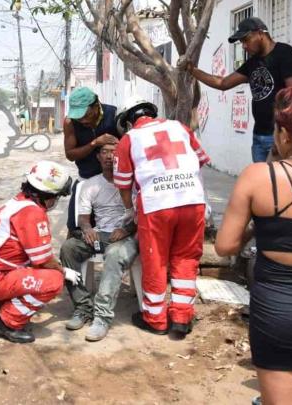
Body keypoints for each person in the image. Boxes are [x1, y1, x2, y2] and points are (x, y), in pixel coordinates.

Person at [215, 87, 292, 405]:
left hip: (277, 316)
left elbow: (226, 246)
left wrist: (260, 225)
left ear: (284, 133)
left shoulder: (257, 177)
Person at [113, 96, 209, 337]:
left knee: (155, 260)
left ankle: (155, 318)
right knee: (186, 257)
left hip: (156, 206)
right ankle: (181, 317)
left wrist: (130, 211)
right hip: (192, 201)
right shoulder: (180, 127)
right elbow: (200, 161)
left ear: (129, 122)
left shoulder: (128, 139)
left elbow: (123, 184)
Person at [0, 161, 81, 343]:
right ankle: (6, 322)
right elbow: (42, 260)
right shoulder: (33, 213)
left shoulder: (15, 202)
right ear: (48, 195)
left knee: (25, 266)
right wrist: (64, 271)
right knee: (53, 280)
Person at [182, 17, 292, 162]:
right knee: (262, 183)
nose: (244, 46)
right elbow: (223, 83)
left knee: (279, 183)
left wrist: (283, 137)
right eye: (242, 42)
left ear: (260, 33)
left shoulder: (287, 55)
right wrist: (192, 70)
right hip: (259, 136)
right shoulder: (252, 63)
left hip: (281, 137)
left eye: (246, 40)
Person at [59, 143, 139, 341]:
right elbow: (83, 218)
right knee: (68, 248)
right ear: (98, 157)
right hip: (101, 234)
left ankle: (102, 317)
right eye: (105, 152)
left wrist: (127, 229)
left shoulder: (134, 183)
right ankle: (83, 307)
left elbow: (142, 216)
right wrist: (87, 229)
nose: (110, 156)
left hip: (127, 235)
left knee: (114, 255)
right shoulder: (90, 184)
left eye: (114, 152)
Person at [63, 87, 120, 237]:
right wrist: (94, 143)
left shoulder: (114, 115)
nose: (83, 121)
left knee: (122, 224)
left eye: (86, 115)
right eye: (79, 117)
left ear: (96, 106)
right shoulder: (70, 122)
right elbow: (70, 154)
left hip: (115, 181)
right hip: (86, 179)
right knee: (74, 227)